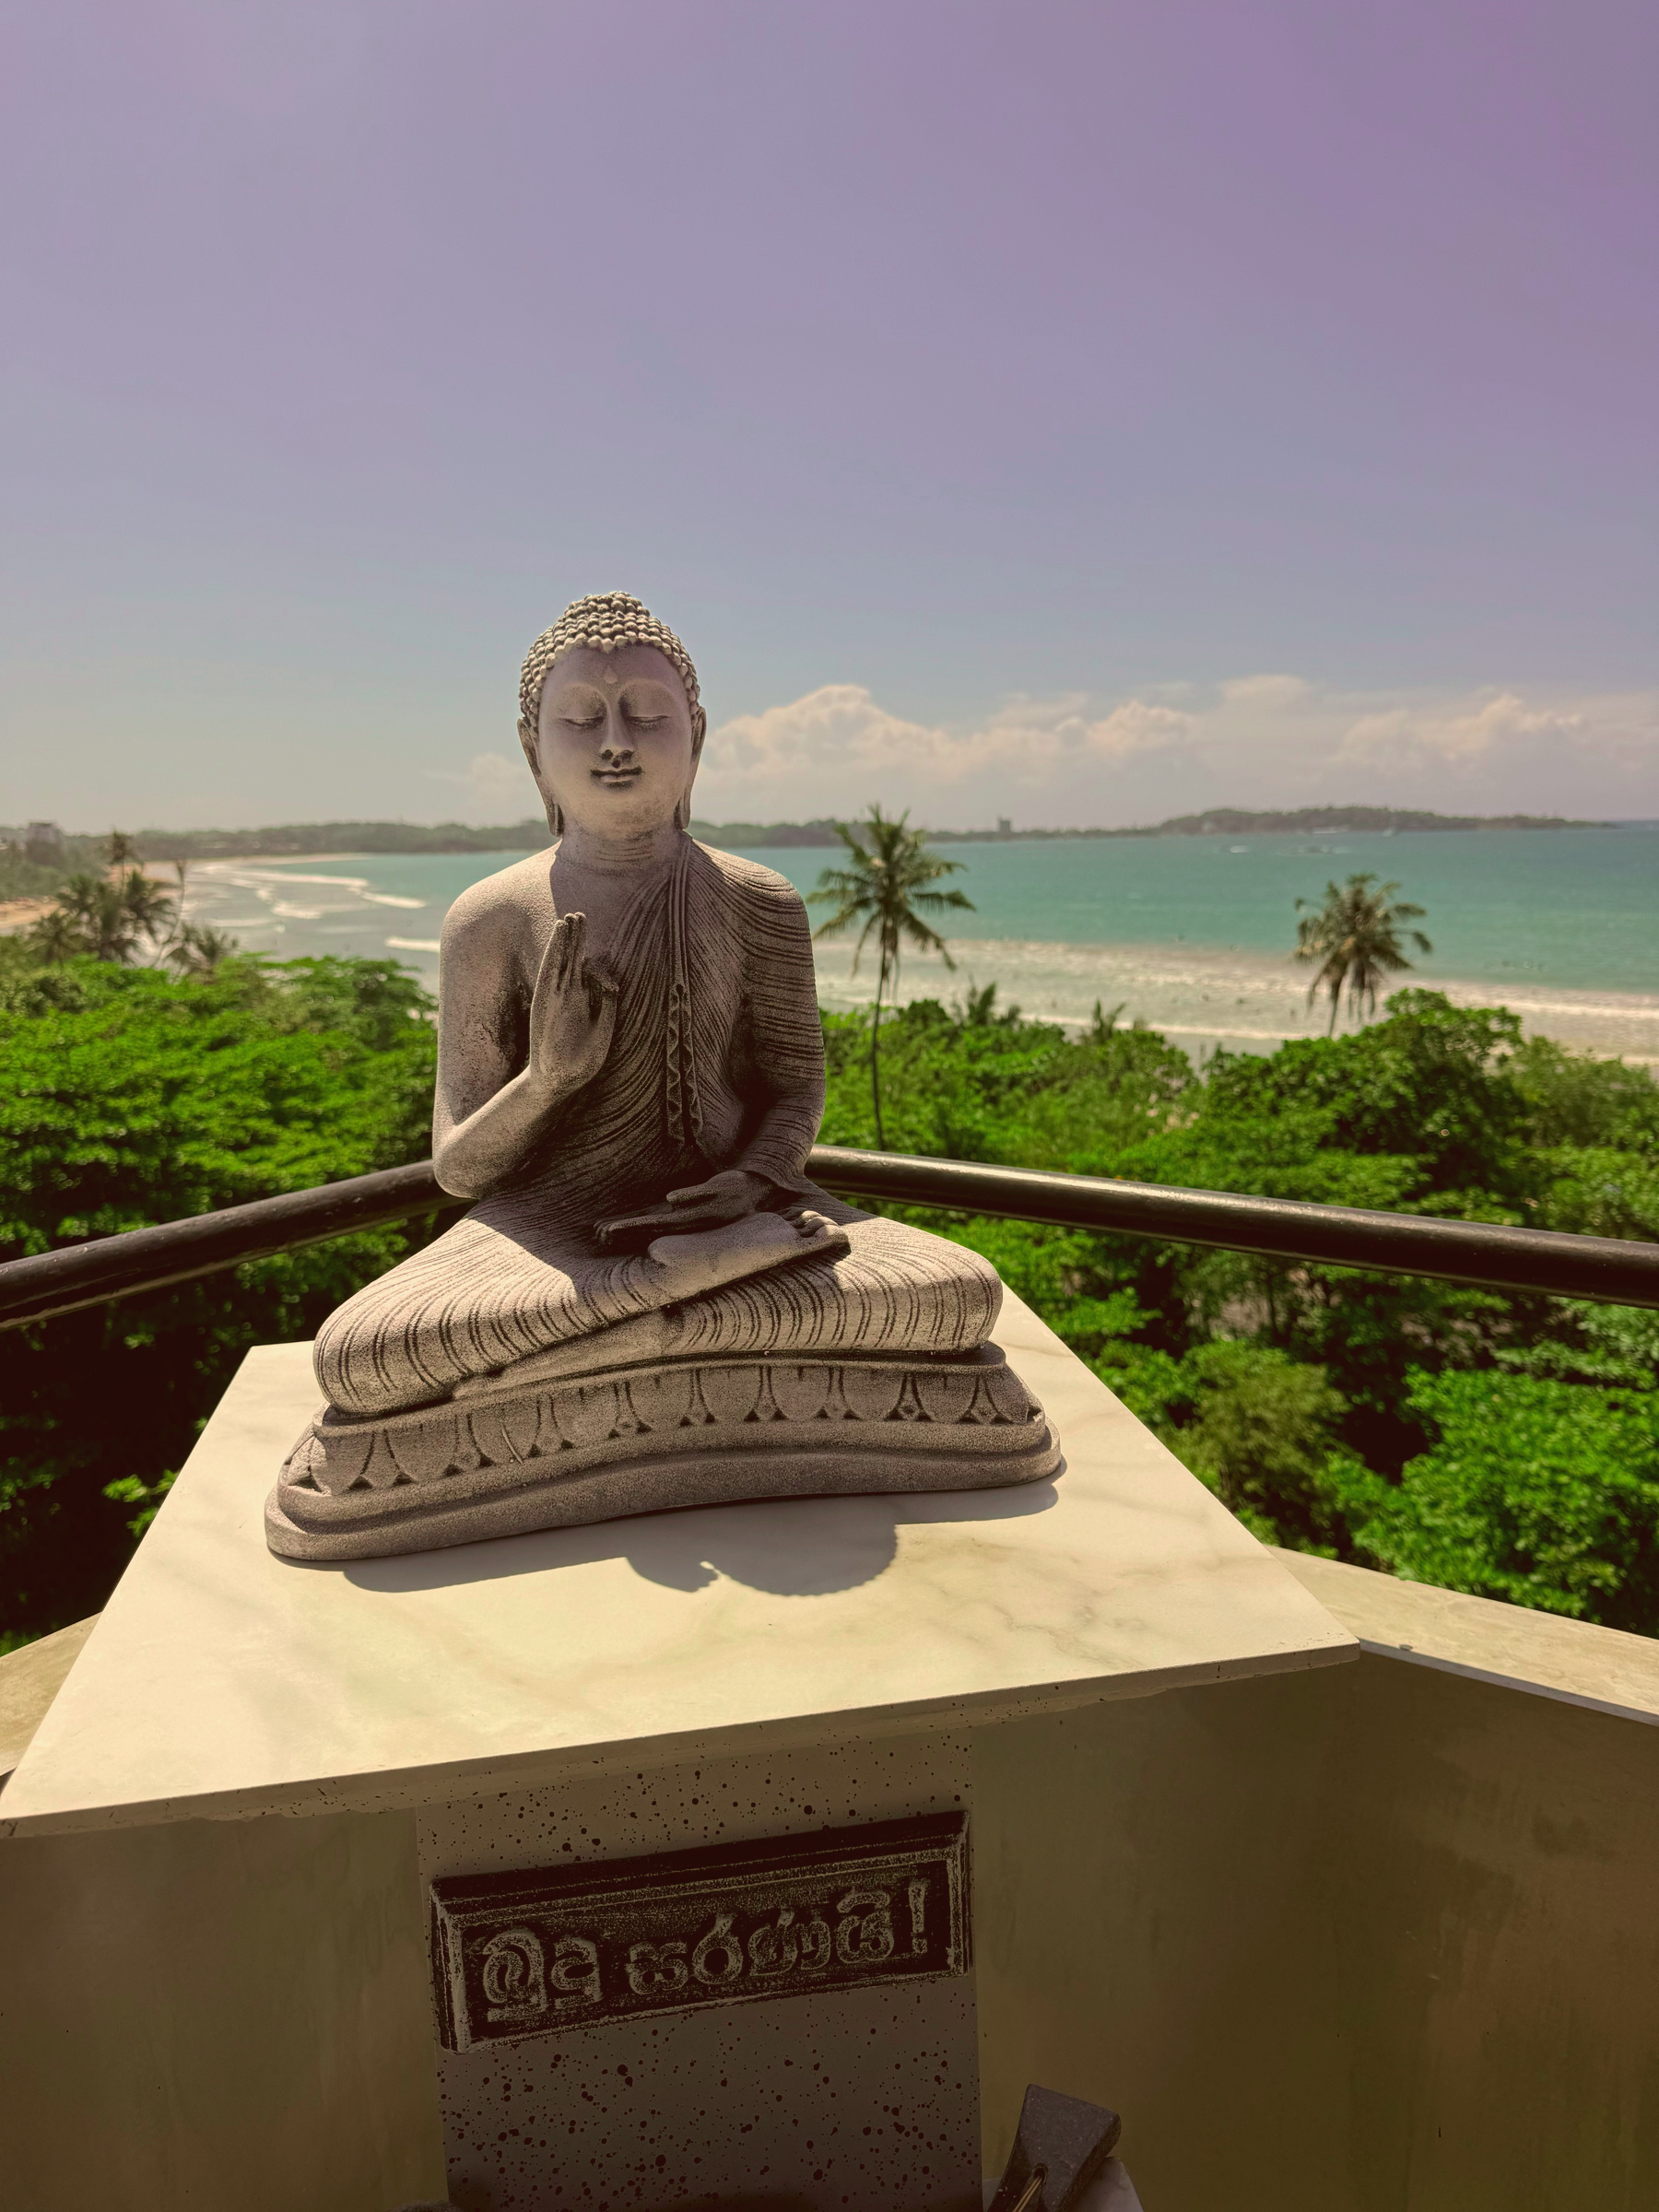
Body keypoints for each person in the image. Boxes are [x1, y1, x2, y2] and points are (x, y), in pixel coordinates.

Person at [313, 593, 999, 1420]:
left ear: (695, 737)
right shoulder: (491, 917)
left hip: (747, 1214)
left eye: (646, 716)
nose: (616, 742)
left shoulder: (760, 899)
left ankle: (617, 1339)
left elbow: (794, 1089)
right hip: (551, 1235)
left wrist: (753, 1179)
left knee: (959, 1290)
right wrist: (547, 1081)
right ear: (533, 748)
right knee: (362, 1356)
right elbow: (460, 1169)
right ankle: (680, 1304)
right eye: (581, 719)